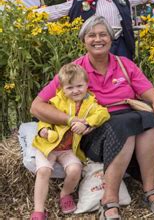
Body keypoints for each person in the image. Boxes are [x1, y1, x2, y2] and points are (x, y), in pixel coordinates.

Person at [30, 16, 154, 219]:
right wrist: (70, 120)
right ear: (84, 40)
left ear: (111, 39)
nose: (98, 39)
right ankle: (109, 199)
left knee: (147, 123)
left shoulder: (125, 65)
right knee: (125, 125)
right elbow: (36, 106)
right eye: (92, 35)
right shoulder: (74, 71)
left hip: (128, 120)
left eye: (103, 34)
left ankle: (150, 190)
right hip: (92, 131)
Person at [30, 63, 110, 220]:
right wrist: (43, 130)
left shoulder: (90, 104)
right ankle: (38, 210)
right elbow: (44, 117)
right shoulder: (56, 101)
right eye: (70, 88)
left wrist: (87, 122)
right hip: (48, 146)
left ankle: (65, 194)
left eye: (79, 86)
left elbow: (104, 114)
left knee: (75, 169)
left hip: (67, 149)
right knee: (43, 170)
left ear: (87, 85)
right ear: (62, 89)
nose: (75, 91)